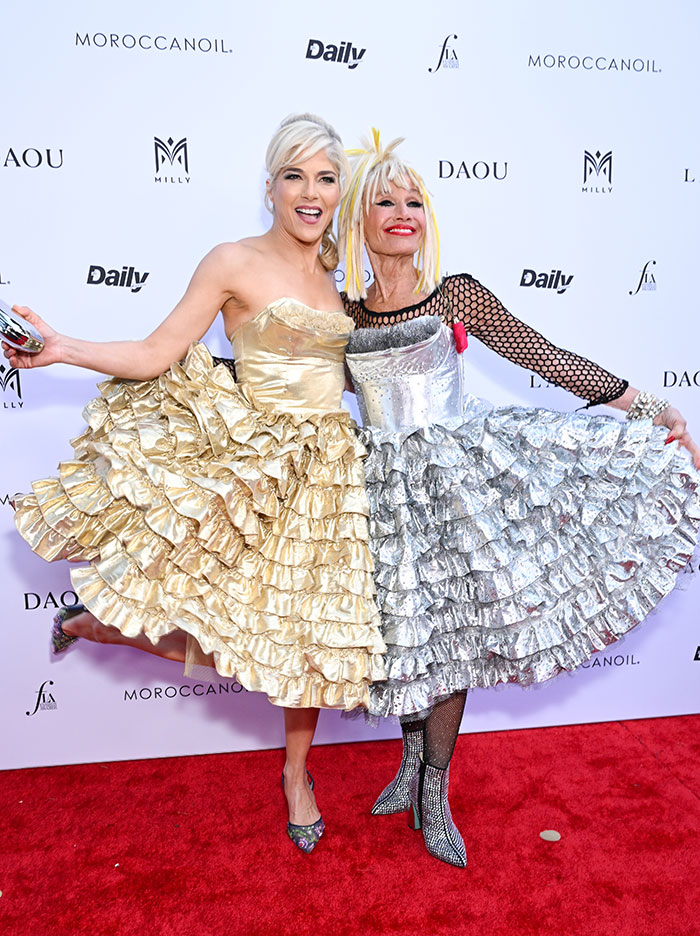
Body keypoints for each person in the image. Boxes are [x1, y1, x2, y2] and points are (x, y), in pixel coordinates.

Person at [4, 114, 387, 854]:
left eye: (326, 178)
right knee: (238, 630)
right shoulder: (232, 261)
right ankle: (96, 623)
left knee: (309, 640)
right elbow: (155, 352)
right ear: (270, 187)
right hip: (259, 462)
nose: (312, 193)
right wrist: (62, 347)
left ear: (340, 191)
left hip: (331, 475)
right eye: (295, 176)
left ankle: (296, 775)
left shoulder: (340, 272)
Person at [337, 130, 700, 867]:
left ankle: (435, 788)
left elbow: (544, 356)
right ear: (358, 219)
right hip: (377, 489)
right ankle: (407, 763)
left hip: (457, 487)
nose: (402, 212)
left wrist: (649, 407)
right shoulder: (340, 314)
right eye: (385, 200)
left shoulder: (457, 295)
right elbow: (281, 378)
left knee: (454, 640)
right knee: (404, 633)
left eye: (414, 200)